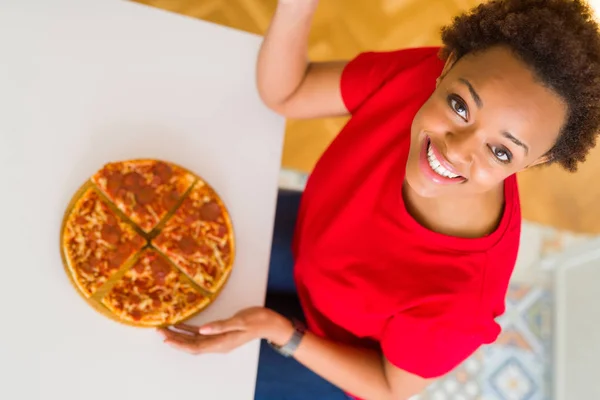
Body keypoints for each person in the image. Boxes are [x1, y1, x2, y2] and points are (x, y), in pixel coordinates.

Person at [158, 0, 600, 399]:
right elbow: (288, 93)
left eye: (501, 151)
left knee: (173, 371)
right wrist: (296, 7)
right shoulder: (416, 77)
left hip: (333, 353)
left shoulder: (464, 303)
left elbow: (389, 387)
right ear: (446, 67)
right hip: (306, 238)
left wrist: (283, 332)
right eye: (461, 106)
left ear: (536, 161)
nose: (457, 149)